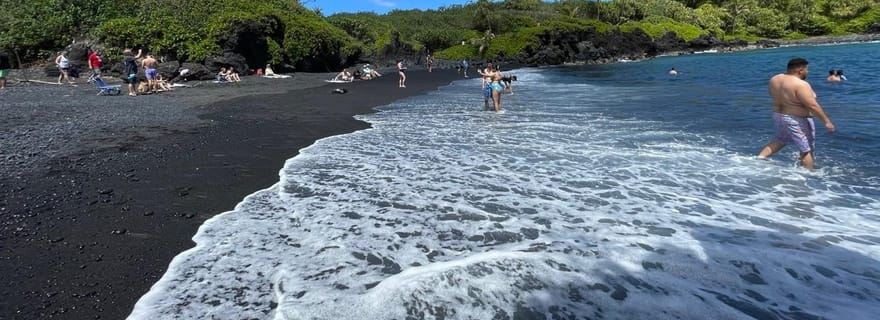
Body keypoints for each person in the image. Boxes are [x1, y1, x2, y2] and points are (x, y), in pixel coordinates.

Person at [757, 58, 835, 170]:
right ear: (800, 71)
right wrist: (827, 122)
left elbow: (773, 94)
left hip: (779, 115)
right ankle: (807, 176)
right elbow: (812, 105)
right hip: (796, 119)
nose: (808, 72)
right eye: (807, 70)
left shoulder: (775, 79)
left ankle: (759, 159)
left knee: (780, 140)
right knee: (806, 148)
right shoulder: (801, 84)